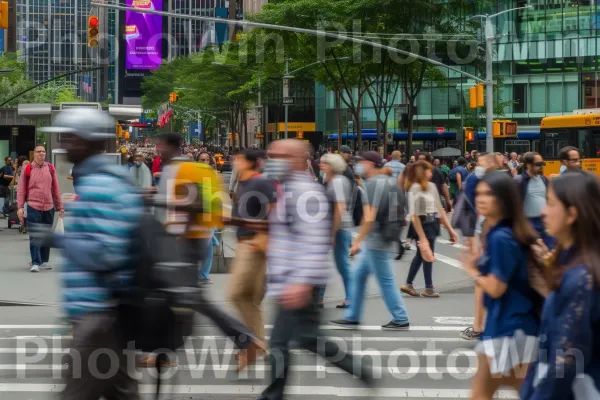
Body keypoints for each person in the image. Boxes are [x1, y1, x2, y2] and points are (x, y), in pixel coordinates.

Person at [30, 108, 142, 399]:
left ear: (87, 141)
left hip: (99, 317)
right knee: (121, 392)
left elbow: (107, 253)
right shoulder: (104, 181)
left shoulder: (100, 185)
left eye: (69, 138)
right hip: (106, 315)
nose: (63, 144)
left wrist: (59, 240)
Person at [258, 140, 373, 400]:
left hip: (297, 283)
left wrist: (301, 282)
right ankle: (361, 371)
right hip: (290, 281)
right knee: (309, 339)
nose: (272, 159)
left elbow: (314, 238)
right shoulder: (288, 189)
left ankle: (272, 396)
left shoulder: (305, 193)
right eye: (271, 155)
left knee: (280, 343)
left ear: (299, 160)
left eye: (279, 156)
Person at [521, 172, 600, 400]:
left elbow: (565, 362)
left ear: (572, 213)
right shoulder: (573, 263)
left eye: (550, 203)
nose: (543, 211)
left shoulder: (581, 279)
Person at [461, 171, 540, 399]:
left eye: (489, 194)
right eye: (478, 194)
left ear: (503, 198)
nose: (481, 199)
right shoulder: (502, 232)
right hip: (508, 326)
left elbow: (496, 287)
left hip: (510, 328)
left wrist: (473, 271)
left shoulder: (501, 237)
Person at [331, 151, 411, 329]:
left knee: (386, 280)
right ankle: (352, 315)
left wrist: (358, 241)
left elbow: (369, 217)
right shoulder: (390, 182)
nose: (358, 165)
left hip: (377, 240)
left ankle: (400, 317)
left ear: (370, 164)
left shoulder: (373, 183)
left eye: (361, 162)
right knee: (358, 276)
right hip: (383, 237)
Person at [228, 148, 275, 352]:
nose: (234, 162)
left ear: (250, 162)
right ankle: (257, 344)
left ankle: (254, 343)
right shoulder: (242, 183)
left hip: (254, 245)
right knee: (251, 298)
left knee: (238, 294)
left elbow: (275, 212)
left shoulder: (261, 182)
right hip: (244, 242)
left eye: (238, 159)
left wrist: (263, 237)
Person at [400, 161, 458, 298]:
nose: (431, 173)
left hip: (432, 222)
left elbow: (439, 209)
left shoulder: (431, 186)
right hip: (421, 223)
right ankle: (426, 287)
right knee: (426, 255)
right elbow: (414, 215)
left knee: (424, 255)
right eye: (429, 170)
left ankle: (414, 285)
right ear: (422, 171)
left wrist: (450, 229)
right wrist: (422, 238)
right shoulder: (414, 188)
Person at [17, 146, 64, 272]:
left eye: (43, 151)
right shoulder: (28, 169)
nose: (41, 153)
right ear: (34, 154)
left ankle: (44, 261)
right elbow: (21, 189)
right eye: (39, 152)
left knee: (46, 234)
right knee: (35, 234)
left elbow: (55, 188)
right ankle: (35, 262)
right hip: (33, 205)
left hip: (49, 206)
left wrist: (60, 206)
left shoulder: (50, 168)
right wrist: (20, 207)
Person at [318, 153, 353, 308]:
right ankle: (319, 297)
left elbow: (339, 208)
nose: (321, 165)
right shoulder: (329, 180)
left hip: (339, 228)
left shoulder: (338, 181)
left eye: (324, 163)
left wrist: (332, 232)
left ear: (332, 166)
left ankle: (351, 297)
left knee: (342, 264)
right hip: (332, 227)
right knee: (323, 262)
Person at [514, 152, 553, 247]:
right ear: (528, 165)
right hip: (529, 223)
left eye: (542, 164)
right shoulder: (519, 181)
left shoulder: (544, 180)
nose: (541, 166)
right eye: (538, 164)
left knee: (551, 249)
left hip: (545, 222)